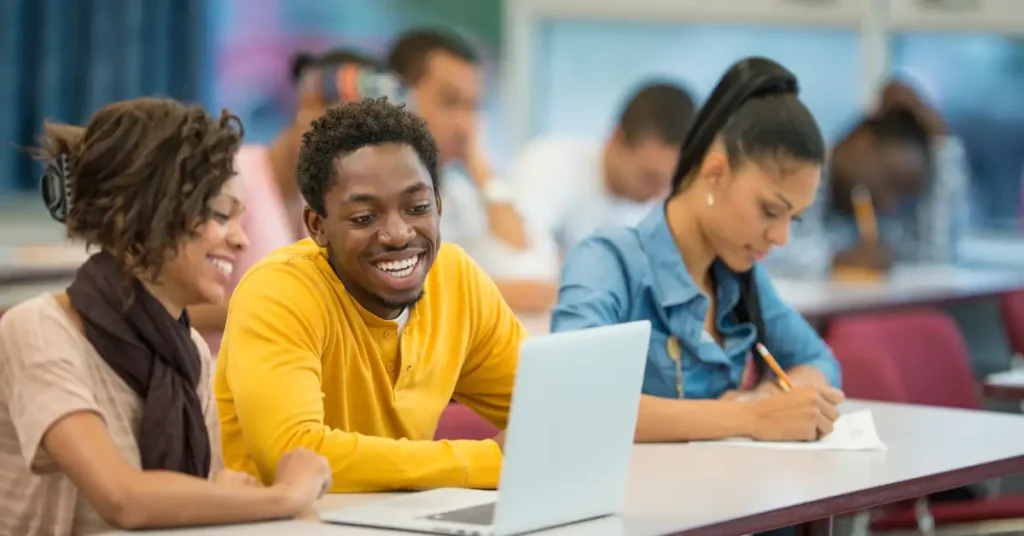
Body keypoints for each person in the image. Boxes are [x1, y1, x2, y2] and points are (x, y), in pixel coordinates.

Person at [0, 98, 331, 534]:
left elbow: (205, 491)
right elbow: (124, 499)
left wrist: (232, 490)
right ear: (149, 214)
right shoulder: (40, 330)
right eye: (220, 215)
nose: (240, 241)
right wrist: (282, 495)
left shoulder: (187, 348)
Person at [215, 97, 526, 493]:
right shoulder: (278, 293)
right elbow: (293, 453)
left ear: (439, 207)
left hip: (408, 521)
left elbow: (551, 406)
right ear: (316, 225)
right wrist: (482, 461)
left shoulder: (455, 277)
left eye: (417, 207)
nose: (398, 233)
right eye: (365, 218)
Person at [551, 57, 845, 444]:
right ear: (715, 172)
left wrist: (782, 398)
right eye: (770, 211)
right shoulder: (605, 262)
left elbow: (820, 361)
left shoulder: (738, 277)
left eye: (795, 219)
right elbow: (575, 400)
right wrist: (748, 416)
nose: (781, 237)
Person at [191, 48, 402, 354]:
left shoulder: (329, 204)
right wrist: (285, 305)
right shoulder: (229, 176)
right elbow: (168, 304)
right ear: (309, 105)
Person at [387, 28, 559, 311]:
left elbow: (525, 257)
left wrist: (482, 171)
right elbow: (396, 287)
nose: (465, 125)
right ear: (397, 98)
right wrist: (497, 293)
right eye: (450, 102)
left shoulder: (457, 191)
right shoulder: (368, 190)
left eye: (474, 107)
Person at [764, 78, 970, 276]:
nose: (890, 204)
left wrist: (943, 144)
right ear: (861, 142)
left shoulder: (874, 214)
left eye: (904, 195)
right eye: (891, 181)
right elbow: (764, 249)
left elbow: (936, 257)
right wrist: (836, 260)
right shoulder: (796, 166)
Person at [507, 82, 697, 256]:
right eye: (650, 178)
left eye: (668, 183)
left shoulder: (662, 212)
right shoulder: (549, 162)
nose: (658, 194)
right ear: (616, 138)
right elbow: (515, 245)